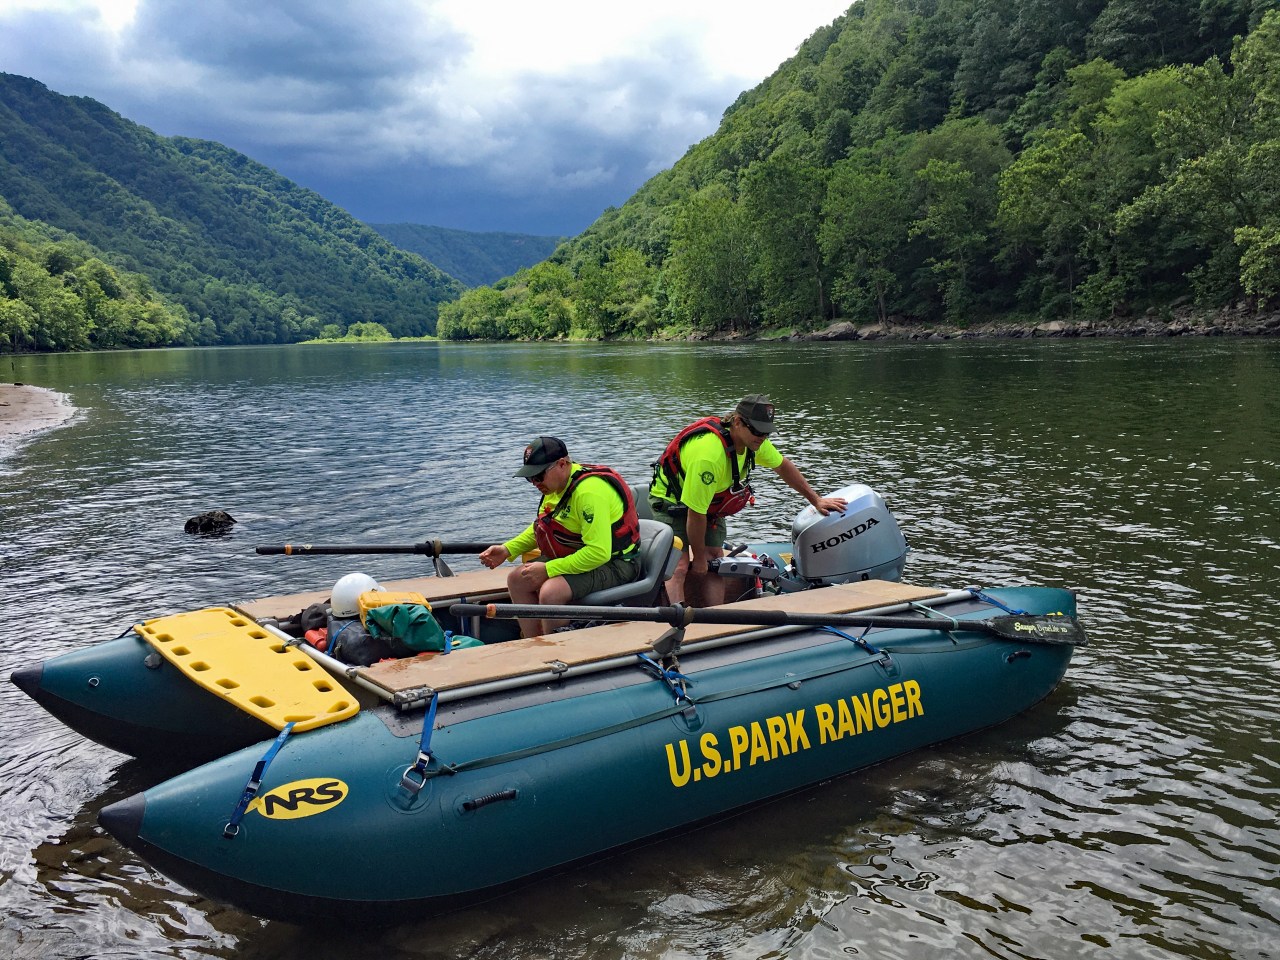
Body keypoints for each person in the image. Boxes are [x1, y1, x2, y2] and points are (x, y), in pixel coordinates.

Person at [649, 394, 848, 607]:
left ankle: (717, 618)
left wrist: (815, 499)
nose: (761, 437)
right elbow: (695, 513)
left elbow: (782, 466)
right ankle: (678, 621)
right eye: (756, 430)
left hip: (709, 502)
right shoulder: (709, 456)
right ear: (737, 422)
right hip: (671, 500)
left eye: (766, 432)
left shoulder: (755, 441)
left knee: (714, 559)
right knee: (678, 565)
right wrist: (697, 557)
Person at [480, 437, 642, 637]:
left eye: (538, 476)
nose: (534, 483)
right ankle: (532, 642)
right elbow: (546, 527)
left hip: (617, 562)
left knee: (551, 592)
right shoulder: (555, 486)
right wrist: (508, 549)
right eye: (529, 478)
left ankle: (558, 653)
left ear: (562, 464)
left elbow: (598, 553)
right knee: (517, 579)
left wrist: (548, 569)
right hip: (582, 555)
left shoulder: (588, 493)